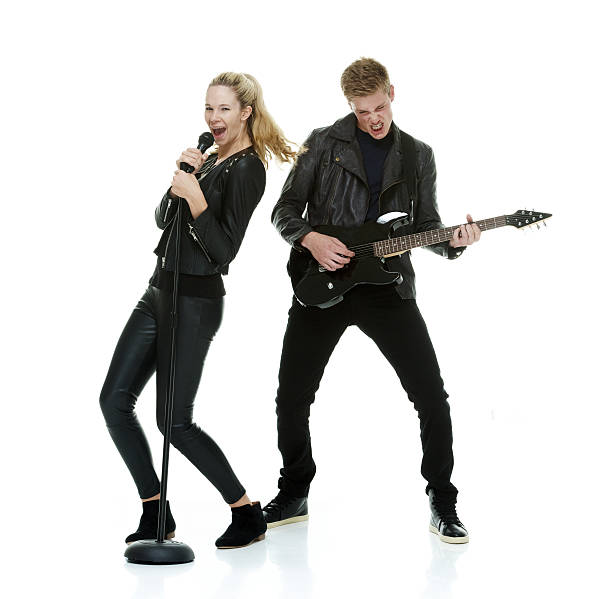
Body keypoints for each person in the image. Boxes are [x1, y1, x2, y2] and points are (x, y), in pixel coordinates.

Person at [263, 58, 481, 544]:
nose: (373, 119)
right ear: (349, 106)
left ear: (392, 94)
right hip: (323, 286)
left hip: (388, 288)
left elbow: (427, 226)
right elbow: (283, 211)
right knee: (291, 396)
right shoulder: (322, 142)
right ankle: (294, 491)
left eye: (379, 107)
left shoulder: (418, 155)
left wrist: (456, 242)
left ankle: (443, 501)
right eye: (362, 112)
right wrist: (310, 239)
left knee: (431, 397)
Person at [100, 72, 296, 549]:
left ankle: (245, 511)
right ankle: (155, 509)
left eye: (224, 109)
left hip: (196, 302)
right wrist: (183, 180)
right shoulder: (206, 157)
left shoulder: (249, 168)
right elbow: (162, 221)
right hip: (158, 292)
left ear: (246, 112)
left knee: (174, 421)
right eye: (209, 108)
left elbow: (223, 251)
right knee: (114, 399)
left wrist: (197, 200)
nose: (214, 118)